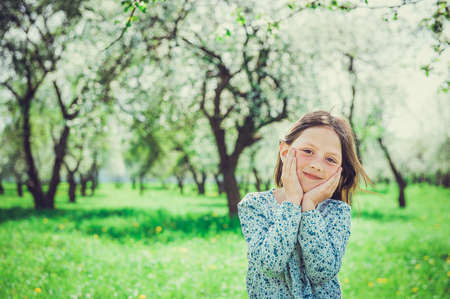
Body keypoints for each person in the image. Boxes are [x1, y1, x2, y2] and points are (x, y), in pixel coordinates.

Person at [237, 110, 371, 298]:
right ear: (285, 152)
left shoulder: (337, 212)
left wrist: (309, 207)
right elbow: (270, 264)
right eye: (308, 151)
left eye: (330, 159)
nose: (317, 164)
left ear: (340, 172)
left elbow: (322, 272)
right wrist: (293, 202)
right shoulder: (254, 205)